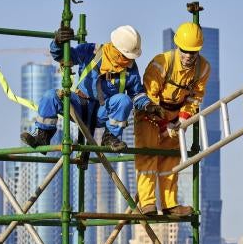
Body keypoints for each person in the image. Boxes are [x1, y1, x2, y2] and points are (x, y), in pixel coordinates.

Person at [20, 23, 154, 153]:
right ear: (115, 49)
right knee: (51, 96)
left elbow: (136, 94)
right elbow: (63, 57)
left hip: (103, 113)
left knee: (124, 100)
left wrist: (148, 105)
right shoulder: (92, 52)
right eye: (126, 57)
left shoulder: (130, 68)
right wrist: (58, 43)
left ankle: (110, 137)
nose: (129, 61)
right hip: (80, 106)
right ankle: (43, 135)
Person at [134, 22, 210, 215]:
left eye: (192, 52)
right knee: (148, 155)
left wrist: (182, 119)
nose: (188, 56)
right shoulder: (162, 63)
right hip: (150, 114)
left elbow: (195, 97)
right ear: (178, 46)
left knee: (170, 159)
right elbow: (149, 97)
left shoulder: (203, 68)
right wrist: (162, 123)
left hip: (175, 117)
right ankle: (147, 203)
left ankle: (169, 205)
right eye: (184, 51)